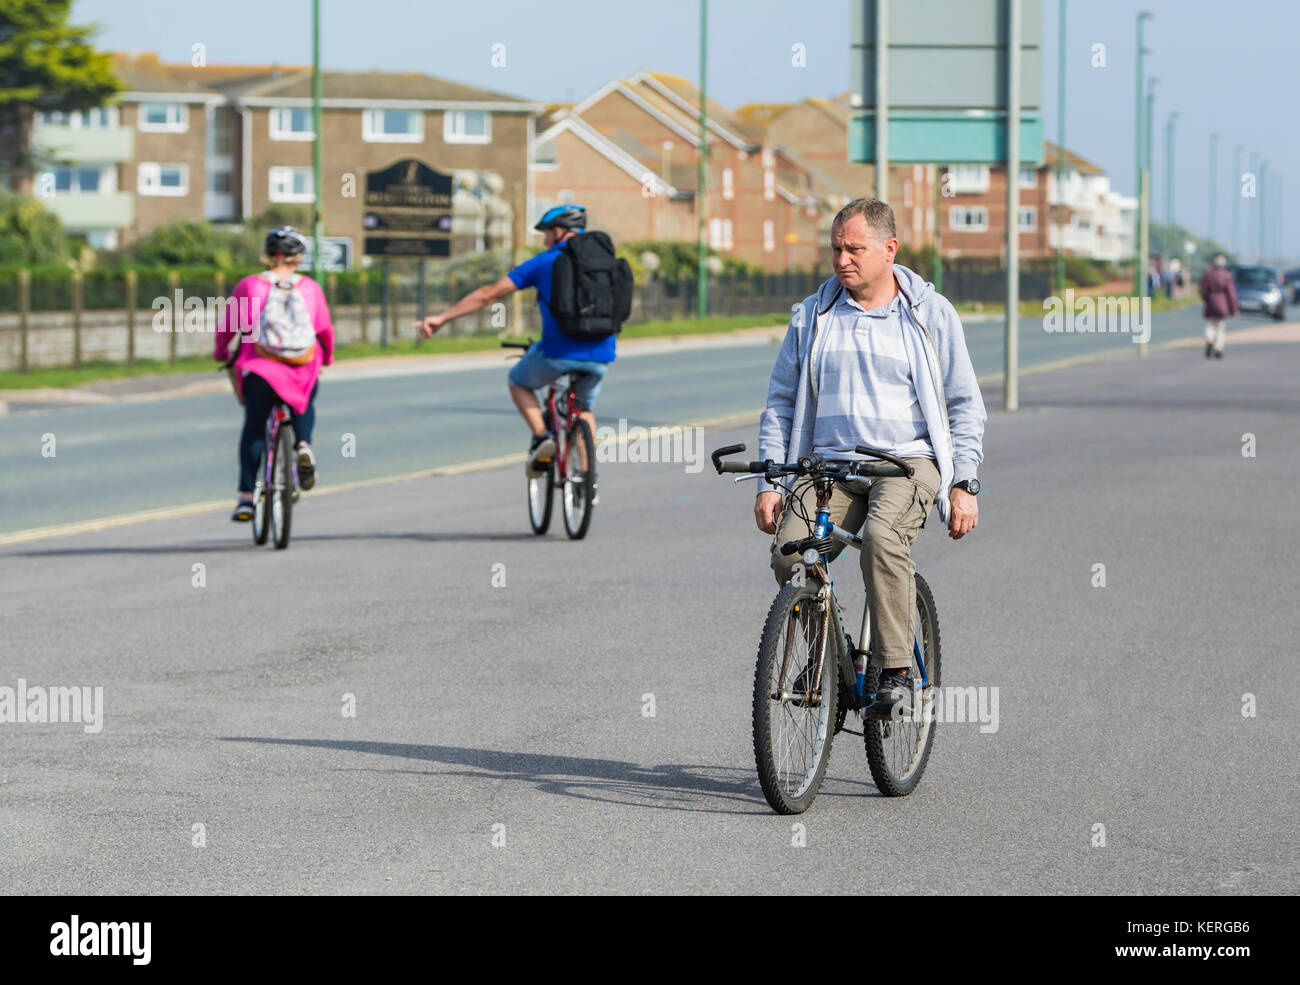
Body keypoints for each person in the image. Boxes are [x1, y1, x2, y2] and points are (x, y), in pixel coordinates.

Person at [756, 198, 986, 709]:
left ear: (889, 249)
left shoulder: (928, 314)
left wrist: (964, 482)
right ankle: (820, 664)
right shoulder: (813, 315)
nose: (842, 260)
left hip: (906, 463)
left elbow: (964, 403)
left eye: (854, 249)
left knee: (883, 539)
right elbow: (781, 401)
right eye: (836, 249)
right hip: (827, 466)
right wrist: (770, 483)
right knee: (792, 553)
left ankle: (898, 671)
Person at [415, 205, 615, 478]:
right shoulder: (605, 262)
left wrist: (442, 318)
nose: (545, 240)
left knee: (517, 381)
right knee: (583, 408)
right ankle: (588, 481)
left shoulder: (544, 262)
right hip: (602, 353)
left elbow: (489, 295)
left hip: (557, 351)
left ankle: (541, 436)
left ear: (558, 232)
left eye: (546, 234)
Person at [214, 226, 334, 520]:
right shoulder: (309, 288)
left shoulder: (250, 286)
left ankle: (245, 498)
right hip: (301, 367)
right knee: (303, 403)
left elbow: (227, 328)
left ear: (268, 255)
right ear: (298, 257)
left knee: (254, 429)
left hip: (261, 370)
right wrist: (327, 358)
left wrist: (222, 353)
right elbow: (325, 331)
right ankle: (303, 446)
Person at [1199, 254, 1239, 359]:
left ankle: (1209, 339)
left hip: (1211, 303)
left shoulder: (1208, 275)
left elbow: (1203, 291)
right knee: (1220, 327)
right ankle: (1218, 348)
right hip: (1223, 304)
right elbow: (1231, 294)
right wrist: (1234, 309)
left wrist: (1207, 300)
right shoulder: (1226, 275)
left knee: (1210, 325)